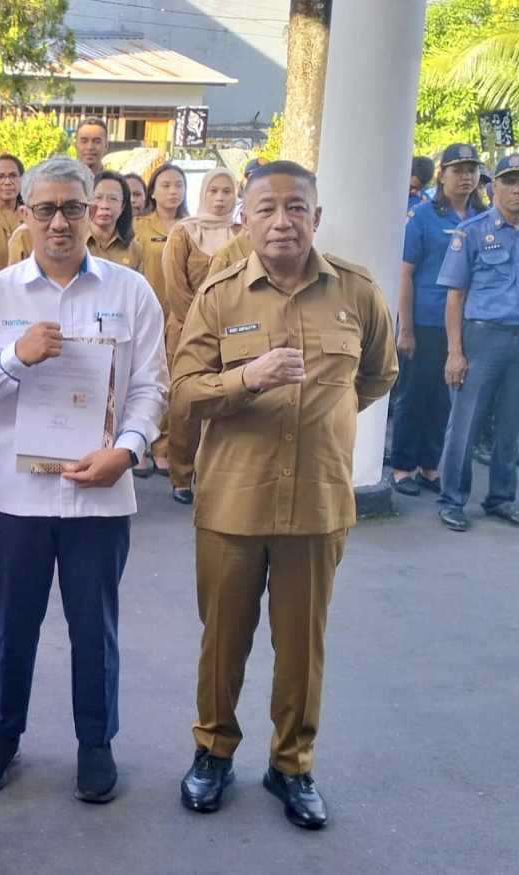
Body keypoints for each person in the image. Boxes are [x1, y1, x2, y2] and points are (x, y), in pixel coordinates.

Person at [173, 160, 397, 830]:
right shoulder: (220, 295)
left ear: (316, 217)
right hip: (233, 503)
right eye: (266, 208)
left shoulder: (357, 291)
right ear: (245, 218)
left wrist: (329, 417)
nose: (281, 221)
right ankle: (213, 751)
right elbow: (185, 392)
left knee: (302, 646)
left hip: (317, 503)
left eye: (295, 207)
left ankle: (291, 764)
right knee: (223, 642)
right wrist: (248, 379)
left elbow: (378, 374)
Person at [0, 157, 168, 800]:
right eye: (44, 209)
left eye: (72, 208)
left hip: (99, 497)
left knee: (94, 629)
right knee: (11, 626)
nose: (59, 222)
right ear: (25, 215)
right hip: (17, 498)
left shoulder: (131, 292)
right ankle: (2, 734)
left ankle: (95, 742)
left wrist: (127, 451)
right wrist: (12, 358)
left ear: (93, 212)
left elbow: (151, 388)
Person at [392, 144, 484, 498]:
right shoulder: (422, 216)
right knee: (414, 395)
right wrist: (406, 329)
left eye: (471, 170)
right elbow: (405, 274)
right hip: (426, 320)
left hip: (466, 324)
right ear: (442, 174)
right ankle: (403, 467)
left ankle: (430, 466)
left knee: (445, 400)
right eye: (458, 170)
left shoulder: (482, 217)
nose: (465, 177)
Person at [435, 152, 519, 532]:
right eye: (509, 181)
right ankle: (452, 499)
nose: (517, 190)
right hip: (482, 337)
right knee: (464, 425)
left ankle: (501, 497)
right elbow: (455, 296)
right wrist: (455, 352)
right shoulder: (471, 232)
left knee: (511, 425)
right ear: (493, 187)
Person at [162, 167, 238, 502]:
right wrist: (201, 325)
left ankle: (214, 475)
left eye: (227, 191)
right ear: (203, 193)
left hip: (231, 332)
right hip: (186, 331)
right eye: (213, 191)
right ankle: (181, 476)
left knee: (227, 402)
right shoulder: (184, 232)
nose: (220, 198)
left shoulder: (242, 235)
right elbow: (175, 287)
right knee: (186, 405)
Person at [134, 162, 189, 473]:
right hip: (146, 312)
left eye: (178, 185)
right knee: (143, 376)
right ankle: (139, 442)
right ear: (152, 192)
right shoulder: (139, 227)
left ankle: (164, 445)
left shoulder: (192, 226)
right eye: (165, 185)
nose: (172, 191)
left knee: (172, 380)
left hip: (180, 316)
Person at [87, 170, 144, 271]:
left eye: (113, 199)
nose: (104, 205)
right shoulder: (75, 243)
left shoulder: (134, 250)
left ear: (123, 206)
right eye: (98, 198)